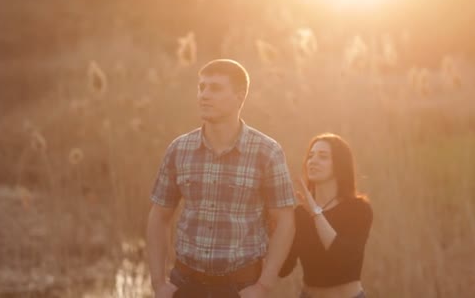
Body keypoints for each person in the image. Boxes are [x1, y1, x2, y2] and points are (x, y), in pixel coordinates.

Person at [146, 59, 296, 298]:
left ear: (239, 96)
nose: (204, 95)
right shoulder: (179, 149)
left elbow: (285, 221)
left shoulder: (267, 152)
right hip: (184, 284)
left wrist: (263, 286)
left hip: (241, 286)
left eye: (215, 88)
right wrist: (158, 283)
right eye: (201, 87)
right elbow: (159, 216)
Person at [280, 133, 373, 298]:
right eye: (310, 156)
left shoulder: (358, 209)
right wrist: (273, 223)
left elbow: (342, 257)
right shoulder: (300, 214)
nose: (313, 161)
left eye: (323, 157)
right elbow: (283, 269)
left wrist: (316, 212)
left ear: (339, 165)